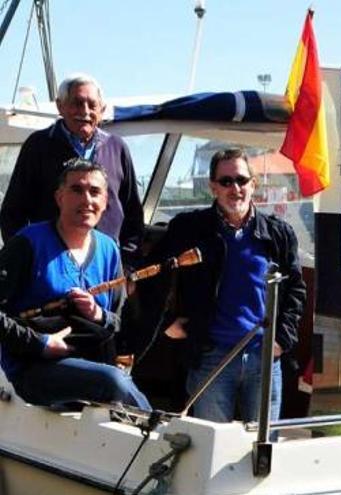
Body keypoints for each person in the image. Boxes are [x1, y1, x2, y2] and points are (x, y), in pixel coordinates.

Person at [148, 148, 306, 423]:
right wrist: (167, 322)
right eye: (226, 181)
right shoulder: (189, 228)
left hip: (264, 359)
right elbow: (152, 273)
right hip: (211, 358)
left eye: (242, 180)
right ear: (213, 187)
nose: (235, 188)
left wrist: (282, 340)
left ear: (253, 184)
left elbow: (295, 290)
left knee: (262, 450)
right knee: (211, 445)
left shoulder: (278, 234)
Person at [0, 159, 150, 409]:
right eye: (76, 190)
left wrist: (98, 314)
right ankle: (160, 438)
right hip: (34, 369)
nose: (87, 200)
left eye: (95, 192)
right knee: (113, 380)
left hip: (91, 365)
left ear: (105, 202)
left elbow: (117, 321)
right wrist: (40, 344)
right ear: (59, 197)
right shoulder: (28, 244)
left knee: (117, 378)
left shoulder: (109, 249)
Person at [0, 73, 144, 264]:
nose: (85, 111)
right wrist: (24, 260)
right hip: (50, 265)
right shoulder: (39, 145)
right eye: (77, 103)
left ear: (102, 110)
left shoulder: (117, 148)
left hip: (106, 266)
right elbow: (13, 212)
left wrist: (127, 265)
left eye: (92, 105)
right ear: (60, 106)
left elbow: (132, 212)